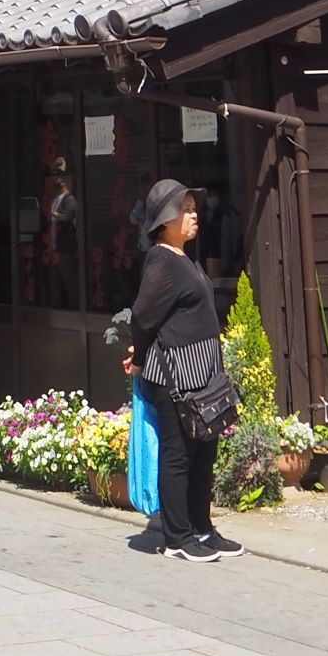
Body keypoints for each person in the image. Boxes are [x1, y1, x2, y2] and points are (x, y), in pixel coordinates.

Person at [124, 178, 242, 563]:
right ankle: (177, 536)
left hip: (202, 372)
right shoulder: (160, 260)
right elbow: (142, 317)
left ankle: (201, 528)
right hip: (175, 374)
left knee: (205, 450)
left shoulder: (183, 256)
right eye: (186, 209)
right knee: (179, 454)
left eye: (194, 208)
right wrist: (139, 357)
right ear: (166, 219)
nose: (195, 215)